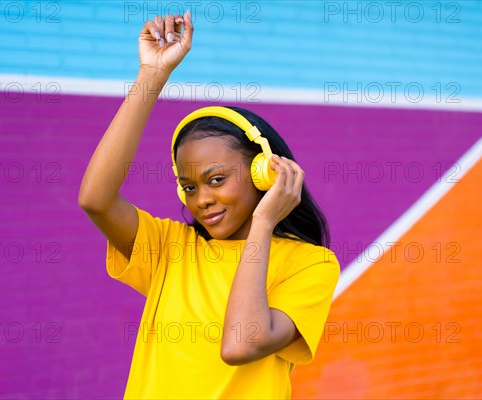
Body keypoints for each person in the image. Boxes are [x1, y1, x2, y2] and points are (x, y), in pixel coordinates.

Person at [78, 10, 340, 400]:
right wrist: (151, 76)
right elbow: (94, 200)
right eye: (188, 187)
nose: (201, 200)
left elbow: (241, 344)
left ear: (263, 172)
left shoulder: (311, 265)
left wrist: (265, 222)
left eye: (216, 180)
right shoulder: (170, 248)